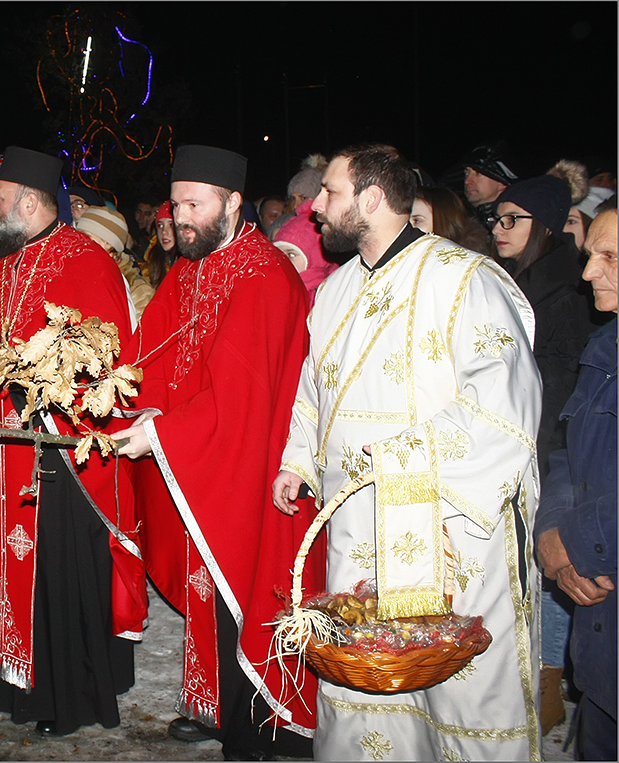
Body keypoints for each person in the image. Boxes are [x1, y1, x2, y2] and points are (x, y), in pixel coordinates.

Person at [272, 143, 543, 760]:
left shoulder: (464, 279)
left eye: (331, 193)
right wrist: (298, 458)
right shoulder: (336, 289)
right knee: (371, 693)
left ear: (371, 199)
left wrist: (400, 457)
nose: (316, 207)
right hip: (356, 522)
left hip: (447, 529)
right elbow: (316, 388)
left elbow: (505, 403)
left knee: (457, 694)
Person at [0, 146, 146, 736]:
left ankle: (58, 693)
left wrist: (20, 383)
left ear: (32, 201)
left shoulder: (85, 261)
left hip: (53, 453)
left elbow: (104, 359)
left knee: (51, 568)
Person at [115, 145, 320, 760]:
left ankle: (263, 722)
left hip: (252, 469)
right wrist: (133, 400)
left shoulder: (262, 275)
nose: (180, 216)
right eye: (175, 203)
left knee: (246, 587)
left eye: (193, 204)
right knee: (209, 586)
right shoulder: (192, 266)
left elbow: (242, 395)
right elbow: (153, 353)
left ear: (233, 203)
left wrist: (161, 434)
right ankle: (214, 703)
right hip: (201, 459)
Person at [489, 174, 598, 732]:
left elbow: (557, 385)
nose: (501, 229)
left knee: (551, 566)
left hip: (548, 451)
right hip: (517, 446)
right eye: (498, 218)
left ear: (547, 227)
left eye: (515, 219)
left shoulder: (564, 292)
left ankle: (549, 685)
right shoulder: (510, 279)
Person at [534, 209, 617, 761]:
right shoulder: (605, 347)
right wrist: (551, 536)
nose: (588, 275)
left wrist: (577, 541)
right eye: (592, 256)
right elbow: (571, 454)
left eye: (609, 258)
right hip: (604, 644)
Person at [75, 205, 155, 321]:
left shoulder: (137, 290)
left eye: (86, 238)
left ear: (109, 245)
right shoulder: (72, 274)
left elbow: (141, 335)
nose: (77, 245)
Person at [274, 197, 339, 305]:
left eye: (291, 254)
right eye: (279, 254)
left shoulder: (327, 299)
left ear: (314, 259)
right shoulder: (271, 289)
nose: (283, 260)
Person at [409, 186, 493, 255]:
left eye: (417, 220)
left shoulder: (469, 267)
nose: (409, 227)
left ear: (443, 222)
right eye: (406, 222)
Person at [460, 142, 518, 228]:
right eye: (467, 173)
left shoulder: (517, 221)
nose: (467, 181)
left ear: (501, 183)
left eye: (478, 173)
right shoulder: (456, 220)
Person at [141, 200, 177, 288]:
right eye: (160, 225)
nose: (164, 232)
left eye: (171, 225)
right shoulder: (151, 263)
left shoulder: (191, 263)